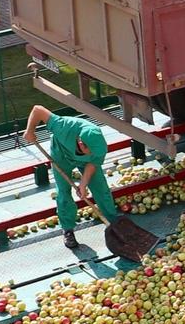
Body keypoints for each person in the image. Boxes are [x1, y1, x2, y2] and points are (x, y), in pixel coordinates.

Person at [23, 104, 120, 252]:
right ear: (81, 143)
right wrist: (30, 131)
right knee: (64, 192)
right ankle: (68, 229)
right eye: (90, 151)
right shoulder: (63, 126)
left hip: (84, 162)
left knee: (101, 187)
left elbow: (93, 162)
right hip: (61, 156)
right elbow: (38, 109)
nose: (93, 153)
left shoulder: (97, 145)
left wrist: (83, 184)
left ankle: (114, 222)